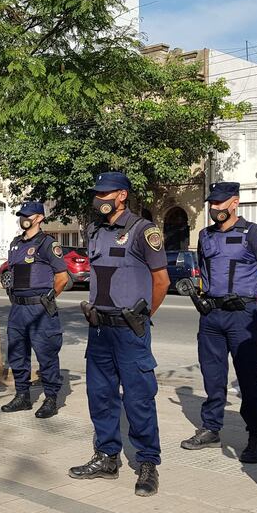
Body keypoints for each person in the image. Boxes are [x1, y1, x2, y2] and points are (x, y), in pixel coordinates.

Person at [68, 172, 168, 496]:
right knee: (100, 396)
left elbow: (162, 281)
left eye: (105, 194)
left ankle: (148, 463)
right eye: (97, 194)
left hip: (130, 331)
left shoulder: (143, 231)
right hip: (99, 330)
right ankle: (107, 457)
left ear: (122, 195)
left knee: (139, 399)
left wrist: (142, 317)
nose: (99, 199)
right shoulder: (94, 230)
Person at [180, 181, 257, 463]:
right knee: (212, 376)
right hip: (211, 316)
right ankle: (211, 428)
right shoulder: (206, 236)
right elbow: (204, 273)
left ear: (235, 202)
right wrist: (201, 295)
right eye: (212, 203)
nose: (215, 208)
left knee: (248, 379)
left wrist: (250, 300)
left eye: (221, 203)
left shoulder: (254, 233)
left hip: (241, 317)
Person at [0, 201, 68, 419]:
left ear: (39, 217)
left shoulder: (48, 244)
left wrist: (48, 298)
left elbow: (62, 278)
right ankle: (22, 396)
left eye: (27, 215)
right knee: (17, 353)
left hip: (39, 309)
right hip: (17, 308)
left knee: (46, 354)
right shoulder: (15, 244)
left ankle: (50, 398)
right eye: (21, 215)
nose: (23, 218)